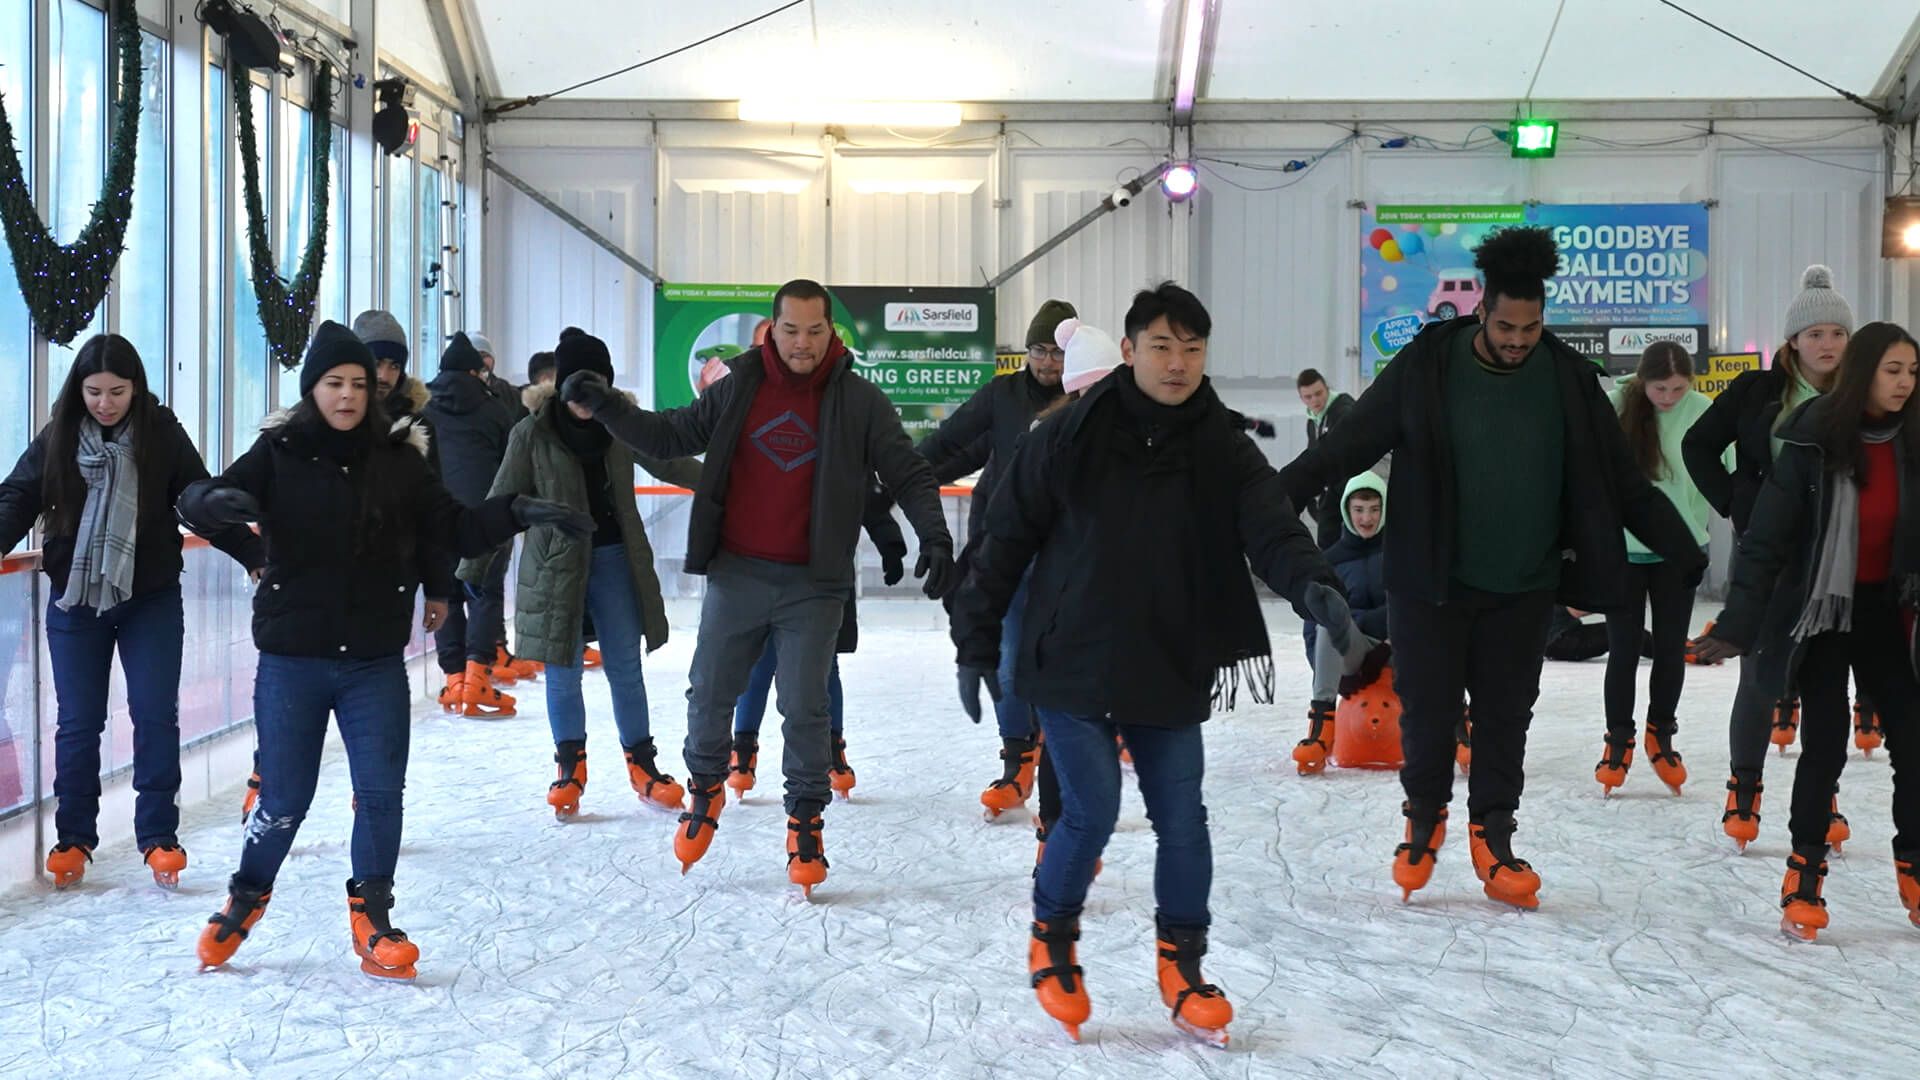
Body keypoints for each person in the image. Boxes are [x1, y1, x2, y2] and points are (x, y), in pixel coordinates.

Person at [951, 283, 1360, 1045]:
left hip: (1169, 655)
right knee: (1094, 809)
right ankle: (1055, 933)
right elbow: (1003, 538)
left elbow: (1271, 527)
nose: (1178, 364)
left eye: (1194, 349)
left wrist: (1315, 586)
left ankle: (1183, 961)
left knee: (1183, 820)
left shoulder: (1221, 446)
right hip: (1071, 655)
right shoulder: (1065, 436)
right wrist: (975, 640)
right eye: (1163, 347)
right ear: (1131, 351)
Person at [1277, 227, 1706, 911]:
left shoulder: (1566, 378)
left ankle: (1495, 836)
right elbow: (1349, 443)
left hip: (1524, 586)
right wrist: (1278, 499)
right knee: (1428, 712)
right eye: (1506, 326)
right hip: (1428, 583)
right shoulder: (1429, 365)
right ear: (1481, 312)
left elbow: (1624, 483)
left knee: (1506, 718)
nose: (1517, 339)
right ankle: (1423, 823)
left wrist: (1685, 553)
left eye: (1531, 327)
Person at [180, 321, 589, 979]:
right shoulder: (278, 450)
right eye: (334, 383)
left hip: (371, 660)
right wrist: (209, 501)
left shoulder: (400, 459)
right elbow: (198, 501)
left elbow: (452, 527)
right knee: (283, 798)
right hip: (294, 659)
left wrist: (518, 510)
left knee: (380, 792)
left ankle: (373, 913)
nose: (347, 396)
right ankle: (246, 895)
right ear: (313, 388)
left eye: (358, 385)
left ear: (374, 390)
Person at [560, 279, 954, 897]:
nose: (803, 343)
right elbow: (669, 436)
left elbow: (905, 467)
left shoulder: (859, 400)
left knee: (805, 706)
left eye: (815, 331)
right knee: (709, 693)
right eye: (791, 330)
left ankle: (805, 821)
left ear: (832, 333)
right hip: (738, 572)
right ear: (773, 329)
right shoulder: (740, 384)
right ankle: (707, 788)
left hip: (813, 583)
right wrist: (608, 405)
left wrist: (933, 532)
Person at [0, 335, 264, 890]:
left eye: (117, 391)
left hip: (150, 598)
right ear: (79, 390)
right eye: (94, 392)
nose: (105, 403)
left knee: (154, 713)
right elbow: (17, 498)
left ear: (136, 388)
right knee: (77, 722)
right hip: (76, 600)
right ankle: (73, 837)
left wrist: (254, 555)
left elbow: (198, 500)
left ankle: (158, 835)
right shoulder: (59, 438)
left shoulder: (161, 434)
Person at [1691, 322, 1920, 939]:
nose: (1903, 383)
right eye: (1891, 369)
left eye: (1912, 372)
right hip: (1822, 611)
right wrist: (1739, 623)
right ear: (1864, 371)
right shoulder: (1815, 440)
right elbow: (1765, 543)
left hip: (1886, 611)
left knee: (1914, 740)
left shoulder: (1915, 441)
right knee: (1825, 741)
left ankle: (1915, 864)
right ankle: (1805, 873)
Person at [472, 327, 704, 820]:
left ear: (607, 383)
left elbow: (671, 462)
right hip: (555, 568)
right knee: (563, 670)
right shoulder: (531, 432)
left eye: (594, 379)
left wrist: (730, 483)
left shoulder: (622, 425)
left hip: (616, 560)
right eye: (575, 379)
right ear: (559, 383)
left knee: (624, 665)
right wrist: (475, 562)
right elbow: (501, 501)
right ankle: (569, 768)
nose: (583, 392)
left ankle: (642, 763)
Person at [1683, 265, 1855, 850]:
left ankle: (1821, 792)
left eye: (1837, 334)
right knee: (1760, 674)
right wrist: (1736, 501)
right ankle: (1744, 787)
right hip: (1770, 554)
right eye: (1815, 335)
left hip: (1839, 558)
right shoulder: (1758, 392)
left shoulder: (1863, 398)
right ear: (1793, 342)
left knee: (1828, 681)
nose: (1827, 344)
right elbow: (1698, 445)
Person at [914, 299, 1074, 815]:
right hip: (1003, 549)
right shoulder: (1004, 396)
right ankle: (1015, 759)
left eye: (1058, 352)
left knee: (1056, 658)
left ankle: (1058, 756)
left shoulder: (1087, 400)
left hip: (1064, 553)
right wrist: (901, 475)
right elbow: (951, 439)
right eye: (1039, 351)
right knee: (1006, 656)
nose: (1048, 362)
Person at [1593, 343, 1717, 797]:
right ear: (1641, 381)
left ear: (1691, 383)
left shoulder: (1705, 412)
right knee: (1622, 650)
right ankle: (1618, 741)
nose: (1667, 397)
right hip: (1622, 551)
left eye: (1678, 388)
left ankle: (1660, 734)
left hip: (1679, 552)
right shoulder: (1613, 407)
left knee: (1669, 649)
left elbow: (1732, 475)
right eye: (1659, 388)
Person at [729, 490, 908, 802]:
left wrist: (889, 540)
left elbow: (864, 487)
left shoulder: (841, 443)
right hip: (765, 565)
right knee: (759, 661)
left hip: (822, 572)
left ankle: (831, 748)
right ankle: (743, 751)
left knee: (824, 666)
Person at [422, 332, 521, 717]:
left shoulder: (424, 409)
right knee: (485, 594)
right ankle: (479, 678)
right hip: (484, 518)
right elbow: (509, 461)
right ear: (475, 370)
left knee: (444, 595)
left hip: (437, 515)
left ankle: (454, 679)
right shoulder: (494, 408)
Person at [1294, 472, 1389, 774]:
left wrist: (1364, 623)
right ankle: (1320, 726)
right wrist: (1330, 670)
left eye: (1374, 509)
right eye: (1359, 509)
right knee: (1328, 618)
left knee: (1432, 620)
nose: (1367, 518)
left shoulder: (1403, 552)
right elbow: (1313, 630)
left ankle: (1458, 729)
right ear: (1347, 511)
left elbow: (1412, 607)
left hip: (1402, 648)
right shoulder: (1330, 561)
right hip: (1354, 653)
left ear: (1384, 509)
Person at [353, 309, 437, 472]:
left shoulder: (418, 428)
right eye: (377, 363)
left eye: (394, 366)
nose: (384, 376)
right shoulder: (339, 418)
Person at [1297, 369, 1355, 548]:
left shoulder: (1342, 411)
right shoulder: (1312, 420)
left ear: (1327, 389)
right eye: (1308, 397)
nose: (1314, 400)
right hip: (1327, 492)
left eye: (1318, 393)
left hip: (1345, 489)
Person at [467, 332, 530, 422]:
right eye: (476, 356)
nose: (481, 361)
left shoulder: (504, 390)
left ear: (493, 359)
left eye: (485, 356)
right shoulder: (460, 393)